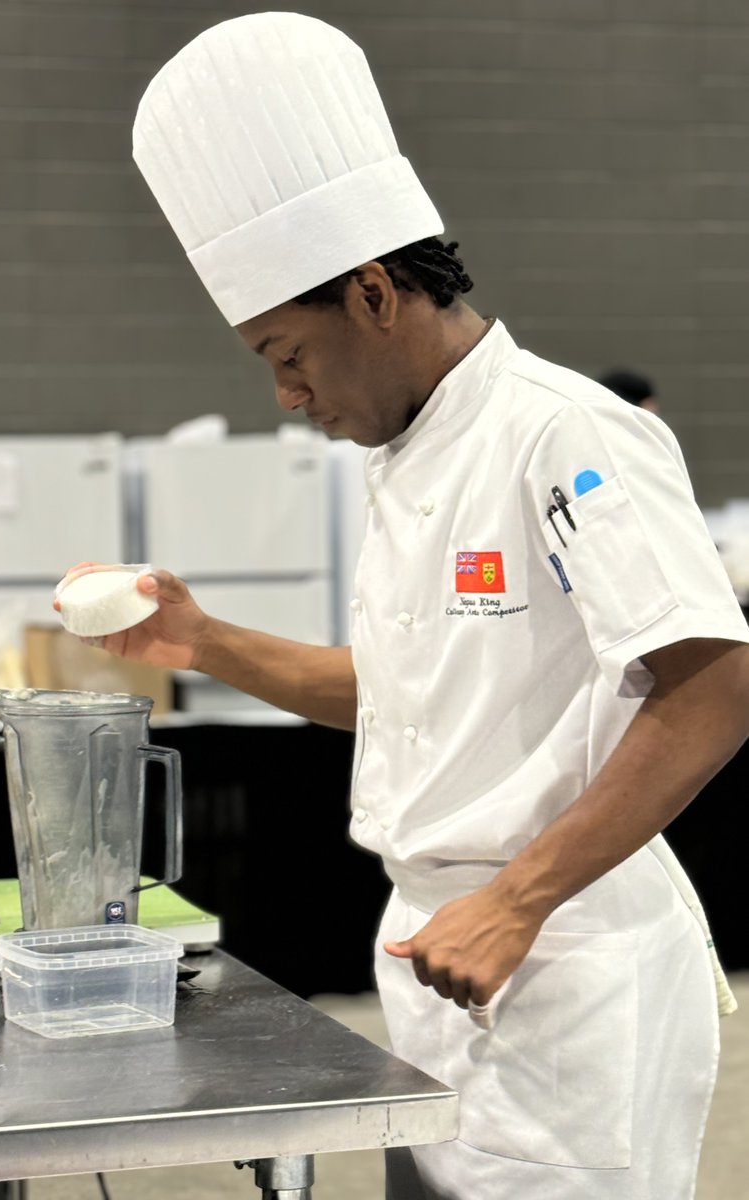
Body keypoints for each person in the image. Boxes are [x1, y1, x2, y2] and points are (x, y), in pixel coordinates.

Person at [62, 14, 749, 1200]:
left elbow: (713, 691)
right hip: (442, 952)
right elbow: (413, 696)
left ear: (373, 292)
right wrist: (202, 641)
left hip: (561, 954)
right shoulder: (410, 458)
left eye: (287, 353)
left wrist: (518, 899)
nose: (287, 395)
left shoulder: (561, 432)